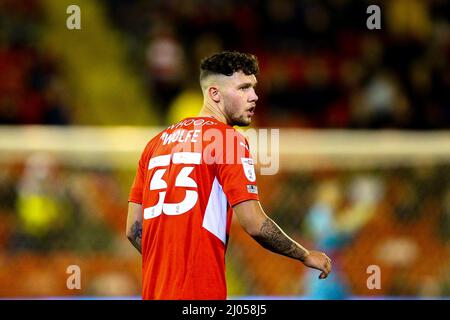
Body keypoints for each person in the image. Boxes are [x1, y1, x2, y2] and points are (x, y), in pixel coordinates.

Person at [126, 51, 332, 300]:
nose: (254, 96)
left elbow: (133, 229)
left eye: (254, 88)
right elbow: (255, 224)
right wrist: (304, 254)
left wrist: (170, 264)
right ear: (214, 94)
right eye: (244, 88)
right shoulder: (226, 140)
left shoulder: (155, 144)